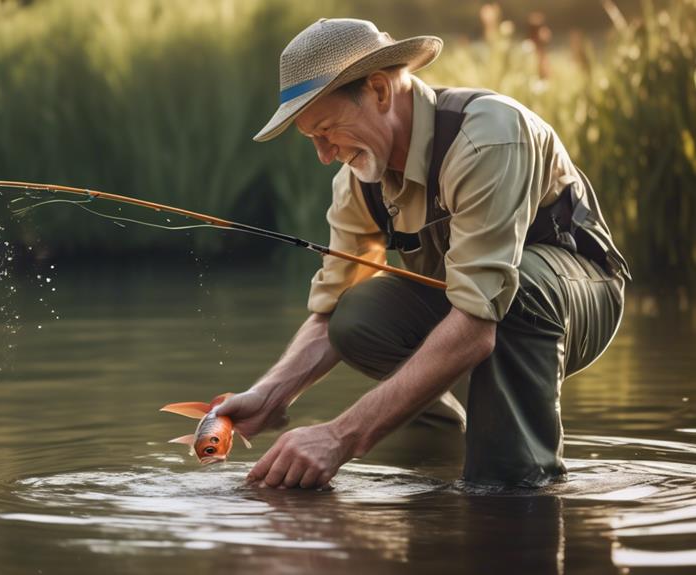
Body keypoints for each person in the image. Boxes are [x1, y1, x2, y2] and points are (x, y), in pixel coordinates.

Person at [216, 18, 629, 489]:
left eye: (327, 129)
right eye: (312, 139)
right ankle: (439, 453)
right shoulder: (356, 183)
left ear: (379, 90)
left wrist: (340, 437)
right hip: (476, 307)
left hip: (578, 294)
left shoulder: (487, 137)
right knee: (354, 313)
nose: (324, 155)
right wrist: (268, 394)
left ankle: (522, 486)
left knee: (513, 299)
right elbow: (331, 314)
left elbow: (476, 326)